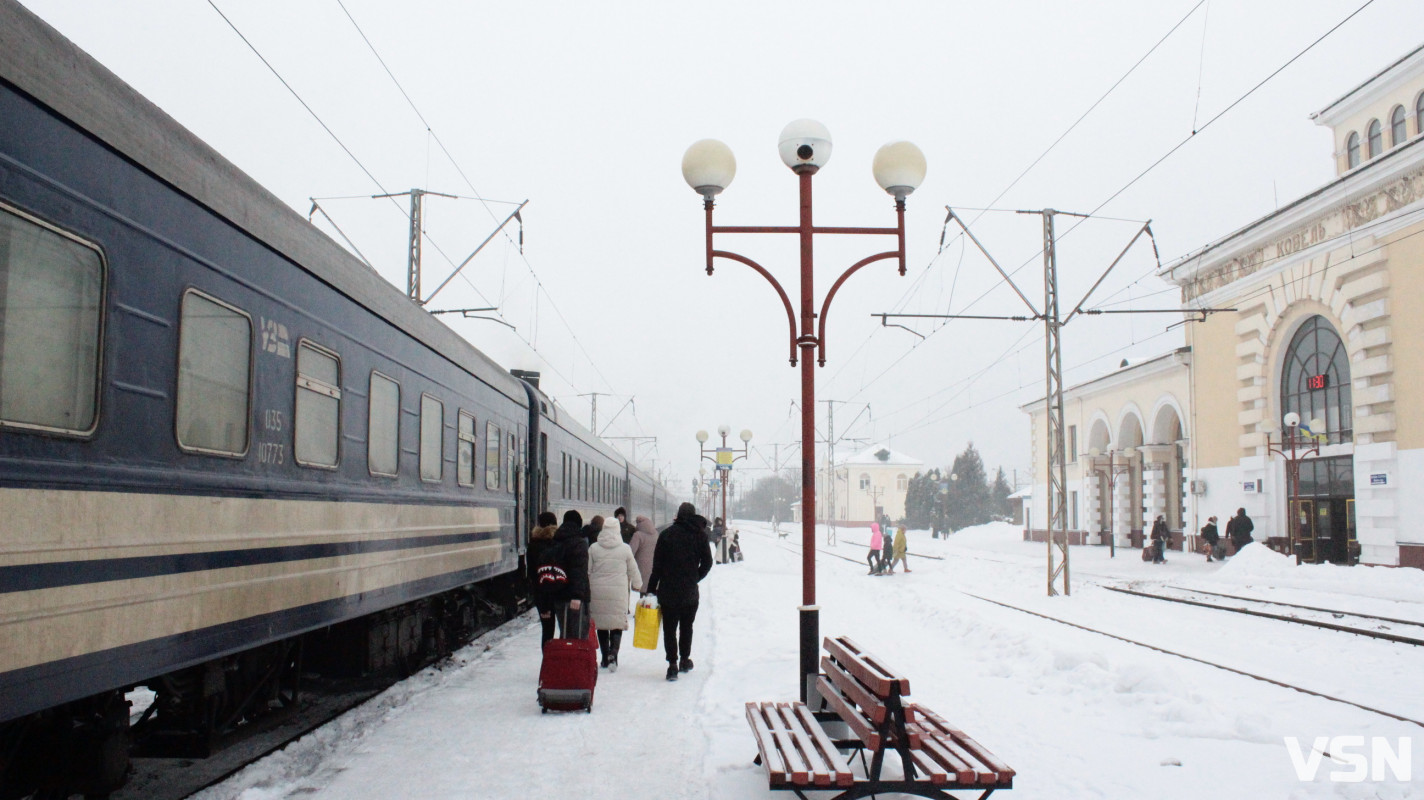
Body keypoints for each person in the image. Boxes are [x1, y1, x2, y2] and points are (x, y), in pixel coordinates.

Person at [645, 502, 713, 681]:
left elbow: (657, 566)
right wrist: (695, 577)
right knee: (686, 627)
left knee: (669, 628)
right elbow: (707, 562)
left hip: (668, 591)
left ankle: (672, 664)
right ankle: (684, 659)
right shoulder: (700, 535)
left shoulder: (666, 535)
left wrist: (651, 588)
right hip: (690, 592)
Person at [589, 516, 641, 672]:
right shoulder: (625, 549)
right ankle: (614, 654)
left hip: (598, 591)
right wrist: (637, 584)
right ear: (618, 530)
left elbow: (587, 570)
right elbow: (633, 569)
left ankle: (605, 658)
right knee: (617, 625)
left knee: (602, 626)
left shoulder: (593, 548)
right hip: (618, 592)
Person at [537, 510, 591, 638]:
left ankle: (565, 657)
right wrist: (577, 596)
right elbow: (579, 571)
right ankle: (575, 658)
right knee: (578, 636)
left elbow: (546, 572)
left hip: (559, 596)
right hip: (575, 599)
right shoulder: (579, 543)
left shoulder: (555, 541)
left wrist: (546, 602)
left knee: (565, 634)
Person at [527, 511, 560, 645]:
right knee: (566, 631)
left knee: (547, 631)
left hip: (541, 595)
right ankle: (563, 662)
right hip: (560, 594)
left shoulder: (533, 544)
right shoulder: (558, 542)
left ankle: (547, 662)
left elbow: (533, 575)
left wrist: (542, 603)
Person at [629, 514, 658, 593]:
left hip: (641, 568)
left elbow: (630, 552)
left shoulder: (638, 535)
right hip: (654, 567)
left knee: (643, 594)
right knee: (652, 594)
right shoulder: (656, 533)